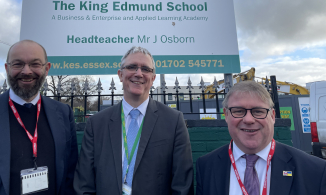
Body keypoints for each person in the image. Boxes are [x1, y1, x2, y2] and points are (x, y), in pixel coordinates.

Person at [0, 40, 78, 195]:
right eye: (18, 64)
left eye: (35, 64)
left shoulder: (64, 113)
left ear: (47, 68)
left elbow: (70, 174)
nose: (26, 71)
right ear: (7, 68)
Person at [74, 46, 194, 195]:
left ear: (153, 78)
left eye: (145, 69)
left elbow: (182, 186)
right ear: (120, 75)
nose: (139, 73)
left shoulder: (173, 121)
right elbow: (84, 185)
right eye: (132, 67)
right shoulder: (97, 124)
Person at [196, 81, 326, 195]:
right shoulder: (206, 166)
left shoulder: (315, 170)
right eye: (238, 111)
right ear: (226, 115)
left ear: (273, 116)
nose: (248, 119)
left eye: (258, 111)